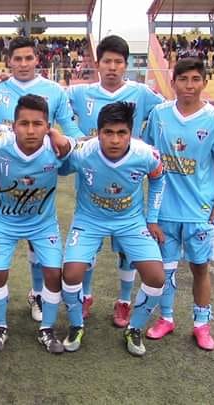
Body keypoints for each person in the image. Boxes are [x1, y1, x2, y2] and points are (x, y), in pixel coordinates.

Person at [67, 35, 214, 327]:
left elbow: (180, 104)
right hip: (90, 184)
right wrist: (5, 81)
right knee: (88, 251)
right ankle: (86, 296)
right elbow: (45, 99)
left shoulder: (142, 94)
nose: (112, 67)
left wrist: (212, 104)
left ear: (126, 65)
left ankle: (124, 301)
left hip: (130, 187)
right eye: (107, 61)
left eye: (118, 62)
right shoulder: (80, 93)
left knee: (126, 250)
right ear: (97, 64)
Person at [0, 36, 83, 323]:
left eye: (28, 58)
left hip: (40, 170)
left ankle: (37, 294)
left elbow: (73, 132)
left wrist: (60, 138)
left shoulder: (54, 91)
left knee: (36, 241)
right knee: (8, 234)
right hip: (7, 170)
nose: (23, 64)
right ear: (9, 62)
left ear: (37, 59)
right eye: (17, 59)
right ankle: (0, 298)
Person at [58, 101, 166, 357]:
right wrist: (63, 148)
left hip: (130, 221)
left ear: (131, 133)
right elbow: (60, 169)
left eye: (121, 133)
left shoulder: (146, 154)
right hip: (89, 219)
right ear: (98, 133)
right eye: (108, 132)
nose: (115, 140)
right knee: (71, 274)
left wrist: (152, 219)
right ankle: (76, 326)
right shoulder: (83, 152)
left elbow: (159, 179)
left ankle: (134, 329)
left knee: (156, 277)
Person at [143, 58, 214, 351]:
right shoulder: (159, 114)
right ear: (173, 83)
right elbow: (146, 154)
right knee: (165, 270)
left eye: (195, 79)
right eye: (183, 79)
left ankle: (201, 324)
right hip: (164, 209)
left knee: (200, 268)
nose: (189, 86)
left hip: (200, 210)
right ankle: (166, 318)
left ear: (205, 82)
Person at [0, 94, 74, 354]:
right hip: (5, 222)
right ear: (13, 126)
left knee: (53, 274)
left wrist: (64, 142)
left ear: (48, 127)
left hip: (43, 224)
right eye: (24, 123)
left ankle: (47, 329)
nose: (30, 130)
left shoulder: (57, 150)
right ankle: (0, 327)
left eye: (37, 124)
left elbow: (84, 147)